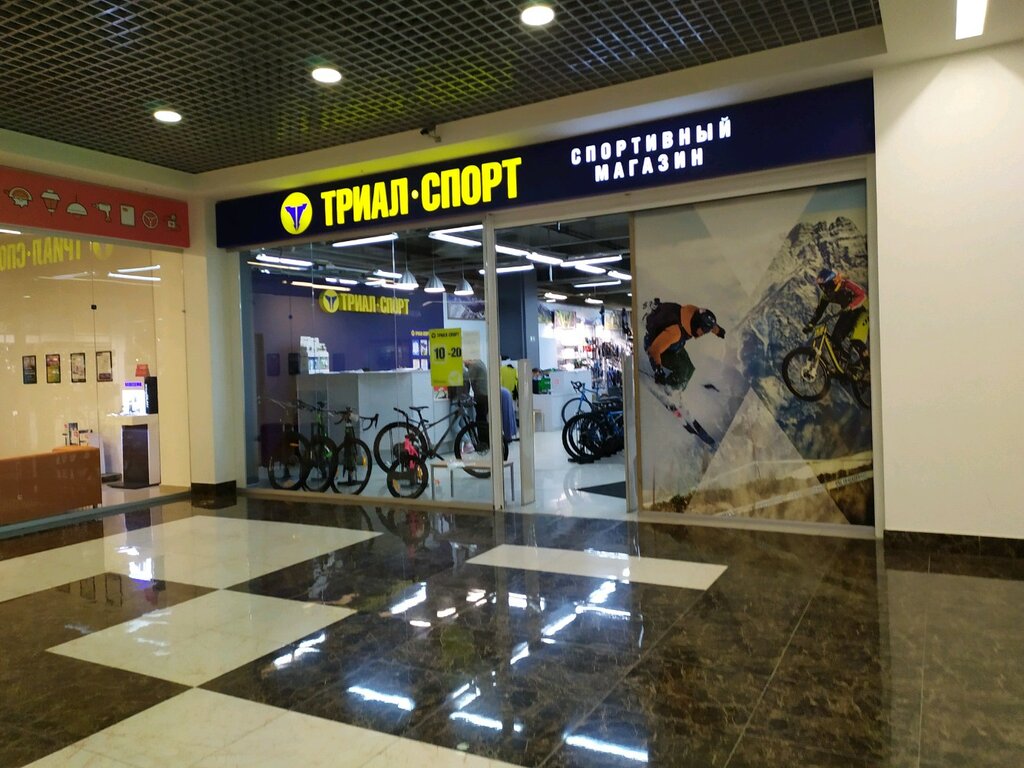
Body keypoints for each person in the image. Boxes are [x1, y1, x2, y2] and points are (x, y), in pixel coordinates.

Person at [643, 298, 726, 388]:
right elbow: (654, 350)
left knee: (689, 368)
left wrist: (718, 331)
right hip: (656, 346)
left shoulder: (693, 314)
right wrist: (658, 371)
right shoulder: (676, 332)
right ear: (697, 324)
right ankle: (668, 388)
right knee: (682, 372)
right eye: (703, 330)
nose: (703, 333)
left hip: (671, 344)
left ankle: (677, 385)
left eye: (706, 331)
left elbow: (708, 322)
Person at [803, 268, 867, 360]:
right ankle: (842, 363)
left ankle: (867, 363)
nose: (824, 289)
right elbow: (819, 311)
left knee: (856, 338)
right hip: (848, 312)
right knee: (835, 339)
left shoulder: (846, 284)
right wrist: (811, 324)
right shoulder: (827, 296)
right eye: (822, 287)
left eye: (825, 286)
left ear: (832, 283)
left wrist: (851, 306)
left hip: (863, 310)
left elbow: (862, 295)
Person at [464, 358, 489, 447]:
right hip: (486, 395)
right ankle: (486, 440)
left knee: (480, 420)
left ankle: (483, 441)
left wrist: (466, 394)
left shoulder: (473, 366)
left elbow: (468, 380)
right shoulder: (480, 362)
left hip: (481, 396)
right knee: (483, 419)